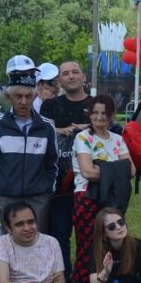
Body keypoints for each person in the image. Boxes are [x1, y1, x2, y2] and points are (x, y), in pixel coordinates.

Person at [0, 58, 58, 230]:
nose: (23, 101)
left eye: (28, 96)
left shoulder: (46, 127)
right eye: (18, 96)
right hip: (2, 199)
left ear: (34, 96)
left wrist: (48, 191)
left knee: (35, 248)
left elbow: (53, 163)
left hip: (37, 200)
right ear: (8, 97)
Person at [70, 95, 133, 283]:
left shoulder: (118, 139)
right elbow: (88, 172)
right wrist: (116, 170)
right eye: (95, 113)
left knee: (111, 242)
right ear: (89, 114)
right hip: (87, 196)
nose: (99, 117)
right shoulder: (83, 138)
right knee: (88, 243)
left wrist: (102, 168)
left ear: (112, 115)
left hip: (112, 198)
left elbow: (131, 169)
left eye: (104, 113)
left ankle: (107, 281)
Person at [40, 60, 91, 270]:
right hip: (59, 182)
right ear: (59, 80)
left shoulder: (97, 104)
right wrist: (60, 131)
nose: (70, 76)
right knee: (59, 233)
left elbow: (108, 131)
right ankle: (63, 277)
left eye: (75, 72)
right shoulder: (50, 106)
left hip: (89, 183)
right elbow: (41, 133)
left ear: (83, 77)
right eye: (65, 73)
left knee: (88, 235)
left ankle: (88, 276)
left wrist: (87, 127)